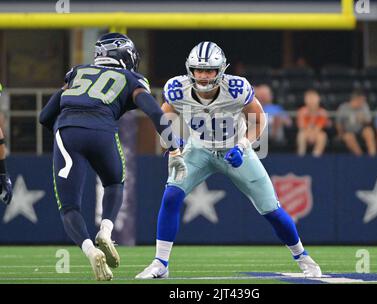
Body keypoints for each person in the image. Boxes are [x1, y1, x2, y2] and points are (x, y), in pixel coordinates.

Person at [135, 41, 322, 279]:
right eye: (198, 70)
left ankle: (303, 258)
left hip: (235, 149)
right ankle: (160, 263)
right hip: (198, 149)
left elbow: (259, 120)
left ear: (221, 70)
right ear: (190, 70)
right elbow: (163, 117)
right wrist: (172, 144)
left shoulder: (236, 88)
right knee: (171, 195)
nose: (203, 76)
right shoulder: (176, 88)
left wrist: (243, 145)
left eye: (209, 70)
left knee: (271, 209)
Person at [39, 33, 187, 281]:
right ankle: (106, 231)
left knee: (69, 207)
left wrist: (67, 129)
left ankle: (89, 250)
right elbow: (153, 111)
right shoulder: (132, 78)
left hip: (67, 131)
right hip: (102, 131)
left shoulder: (77, 72)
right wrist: (173, 147)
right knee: (114, 184)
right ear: (126, 56)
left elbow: (45, 116)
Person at [336, 90, 376, 156]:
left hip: (360, 130)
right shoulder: (343, 107)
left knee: (369, 132)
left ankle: (372, 157)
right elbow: (338, 123)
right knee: (348, 137)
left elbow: (369, 120)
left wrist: (363, 119)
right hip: (348, 131)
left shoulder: (364, 106)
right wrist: (340, 133)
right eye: (361, 100)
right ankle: (360, 157)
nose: (363, 102)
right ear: (355, 99)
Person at [296, 89, 329, 157]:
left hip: (317, 133)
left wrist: (313, 135)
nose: (312, 101)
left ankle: (316, 156)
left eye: (313, 98)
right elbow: (302, 126)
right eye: (309, 98)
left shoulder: (322, 112)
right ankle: (301, 156)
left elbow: (319, 127)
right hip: (305, 132)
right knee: (301, 135)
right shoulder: (302, 111)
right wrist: (309, 134)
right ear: (306, 100)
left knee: (322, 136)